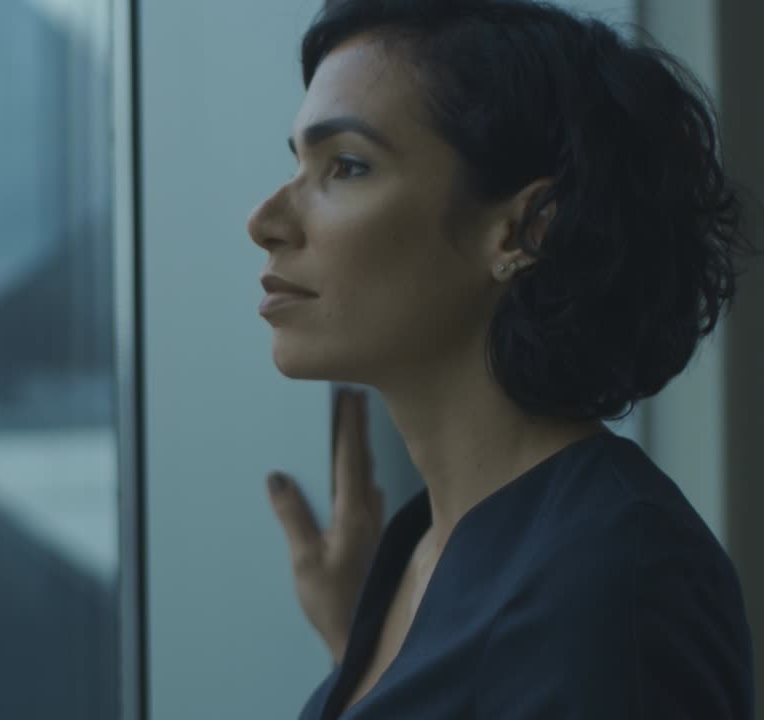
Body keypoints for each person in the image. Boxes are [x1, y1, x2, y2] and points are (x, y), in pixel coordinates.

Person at [249, 1, 755, 718]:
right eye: (298, 163)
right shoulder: (418, 555)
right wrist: (353, 657)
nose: (265, 221)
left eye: (347, 167)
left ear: (525, 230)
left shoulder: (620, 579)